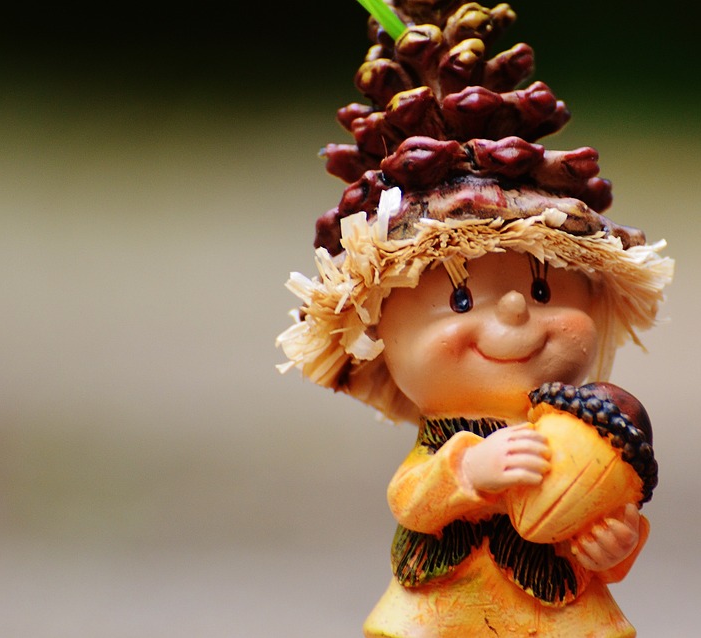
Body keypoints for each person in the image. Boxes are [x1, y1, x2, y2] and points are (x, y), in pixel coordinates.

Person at [277, 2, 673, 635]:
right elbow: (411, 498)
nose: (515, 309)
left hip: (559, 618)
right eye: (462, 301)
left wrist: (614, 545)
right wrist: (469, 471)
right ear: (381, 334)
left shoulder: (588, 430)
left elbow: (601, 513)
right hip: (443, 613)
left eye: (543, 290)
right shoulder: (442, 442)